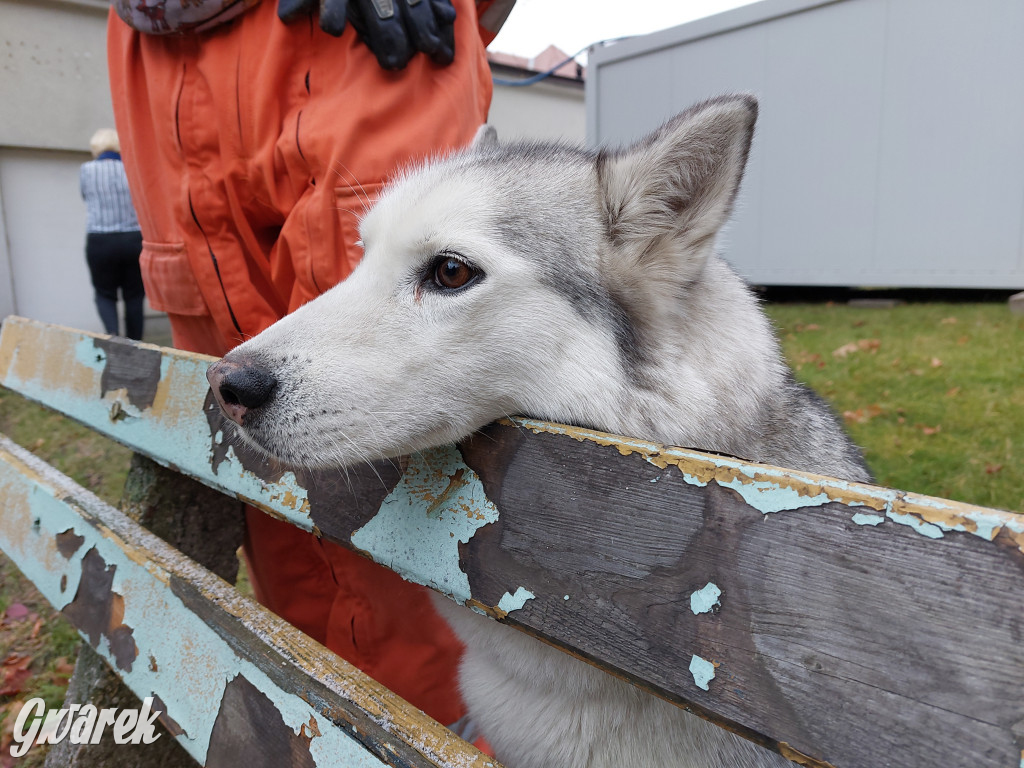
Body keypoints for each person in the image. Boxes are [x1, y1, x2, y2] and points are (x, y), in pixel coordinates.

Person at [106, 0, 513, 740]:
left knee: (413, 470)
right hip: (150, 44)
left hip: (355, 31)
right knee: (263, 463)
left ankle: (441, 744)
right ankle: (317, 733)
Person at [79, 129, 145, 340]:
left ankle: (113, 337)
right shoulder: (133, 169)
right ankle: (136, 343)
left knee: (104, 294)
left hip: (101, 239)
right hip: (133, 238)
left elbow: (85, 196)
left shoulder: (87, 170)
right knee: (134, 296)